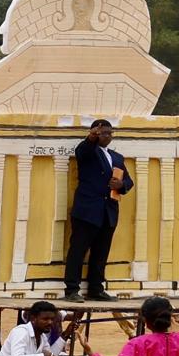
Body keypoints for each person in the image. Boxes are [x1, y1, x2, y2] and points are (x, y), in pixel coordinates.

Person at [64, 119, 131, 300]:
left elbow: (129, 182)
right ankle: (71, 290)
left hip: (108, 211)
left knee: (101, 253)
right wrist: (92, 137)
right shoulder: (88, 151)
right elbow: (82, 151)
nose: (107, 136)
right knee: (78, 250)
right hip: (87, 210)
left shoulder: (117, 157)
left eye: (109, 133)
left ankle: (96, 289)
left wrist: (121, 184)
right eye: (103, 133)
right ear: (95, 133)